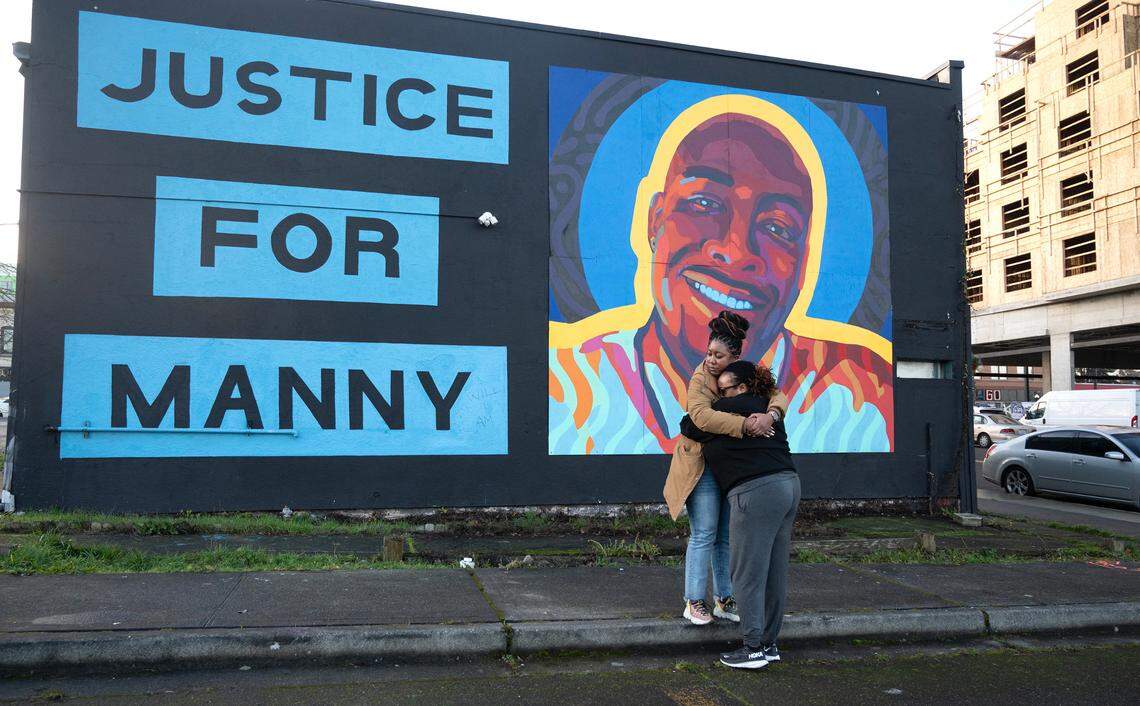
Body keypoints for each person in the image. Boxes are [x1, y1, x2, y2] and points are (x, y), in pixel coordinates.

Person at [550, 99, 893, 456]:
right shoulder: (564, 384)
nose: (736, 252)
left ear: (804, 263)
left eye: (777, 227)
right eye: (704, 204)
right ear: (655, 221)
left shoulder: (864, 394)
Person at [663, 311, 788, 625]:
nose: (710, 360)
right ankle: (694, 601)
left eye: (718, 356)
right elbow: (700, 418)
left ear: (735, 357)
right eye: (708, 353)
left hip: (730, 466)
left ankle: (724, 599)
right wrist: (746, 424)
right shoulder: (700, 378)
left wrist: (770, 416)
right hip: (701, 465)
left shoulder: (746, 373)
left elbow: (777, 395)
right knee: (704, 532)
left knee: (724, 535)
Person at [679, 359, 800, 669]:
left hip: (755, 492)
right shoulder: (766, 407)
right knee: (774, 572)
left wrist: (714, 407)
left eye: (725, 389)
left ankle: (752, 648)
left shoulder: (728, 409)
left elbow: (689, 424)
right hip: (788, 485)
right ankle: (769, 644)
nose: (720, 396)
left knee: (746, 573)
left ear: (742, 387)